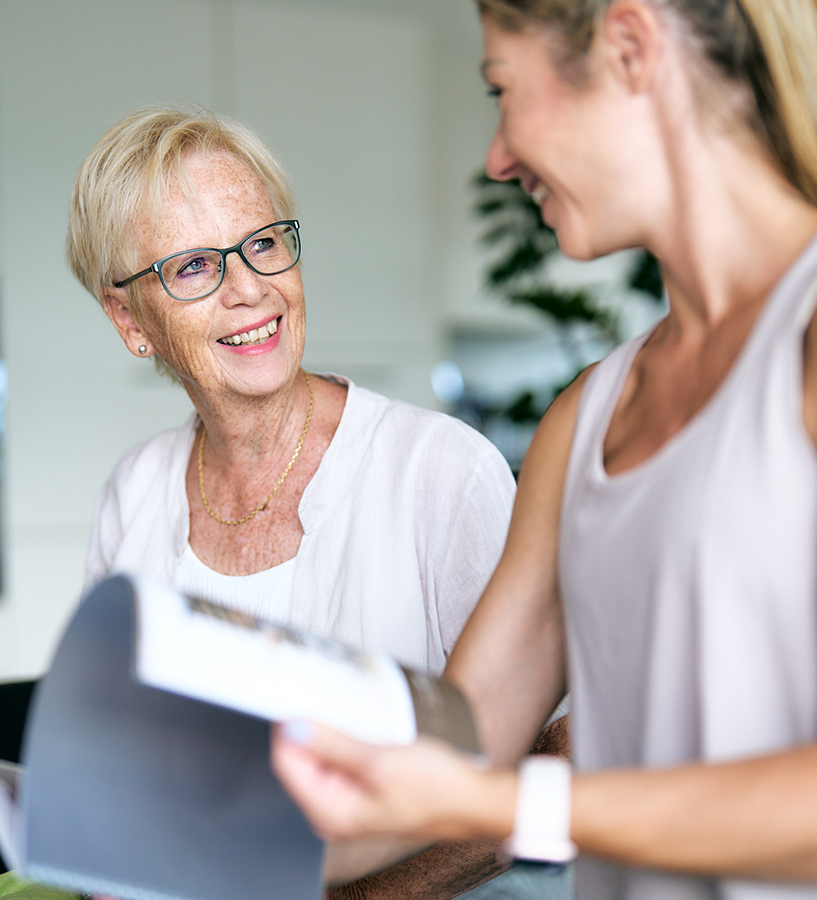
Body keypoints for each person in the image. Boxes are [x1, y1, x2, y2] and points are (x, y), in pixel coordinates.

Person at [272, 1, 817, 898]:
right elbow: (443, 761)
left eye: (503, 91)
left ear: (631, 49)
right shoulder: (584, 417)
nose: (498, 156)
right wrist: (179, 852)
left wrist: (520, 807)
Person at [67, 105, 572, 900]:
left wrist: (357, 897)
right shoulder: (133, 494)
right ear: (130, 318)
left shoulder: (439, 470)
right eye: (194, 267)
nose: (249, 289)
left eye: (263, 243)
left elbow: (560, 748)